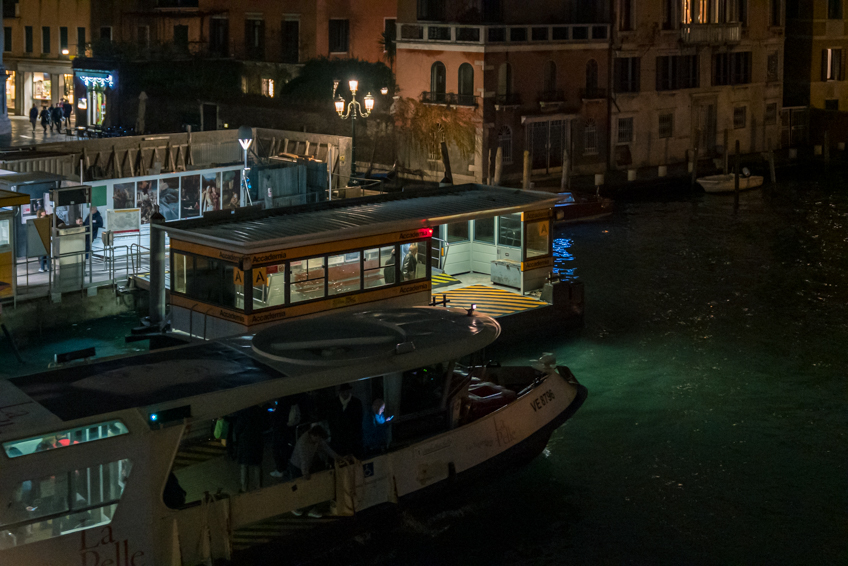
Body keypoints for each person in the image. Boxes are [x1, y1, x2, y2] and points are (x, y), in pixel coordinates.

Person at [288, 425, 339, 518]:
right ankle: (296, 507)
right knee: (299, 488)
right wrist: (305, 473)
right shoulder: (304, 443)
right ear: (315, 435)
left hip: (303, 465)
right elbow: (304, 460)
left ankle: (307, 508)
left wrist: (337, 458)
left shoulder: (315, 439)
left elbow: (326, 448)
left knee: (304, 487)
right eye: (319, 438)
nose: (320, 441)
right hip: (297, 466)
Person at [233, 405, 266, 493]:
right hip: (257, 441)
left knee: (244, 466)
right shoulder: (259, 411)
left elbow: (237, 429)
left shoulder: (243, 412)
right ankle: (258, 487)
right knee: (257, 465)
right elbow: (265, 425)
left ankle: (244, 488)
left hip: (245, 443)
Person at [327, 383, 363, 459]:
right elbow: (331, 421)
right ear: (340, 392)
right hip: (338, 438)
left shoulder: (356, 403)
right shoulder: (333, 403)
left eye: (347, 391)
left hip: (351, 438)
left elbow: (358, 421)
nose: (346, 393)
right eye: (344, 392)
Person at [270, 395, 302, 479]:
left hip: (280, 428)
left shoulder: (282, 402)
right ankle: (288, 468)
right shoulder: (294, 400)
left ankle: (280, 469)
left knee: (276, 448)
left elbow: (278, 416)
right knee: (286, 449)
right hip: (290, 429)